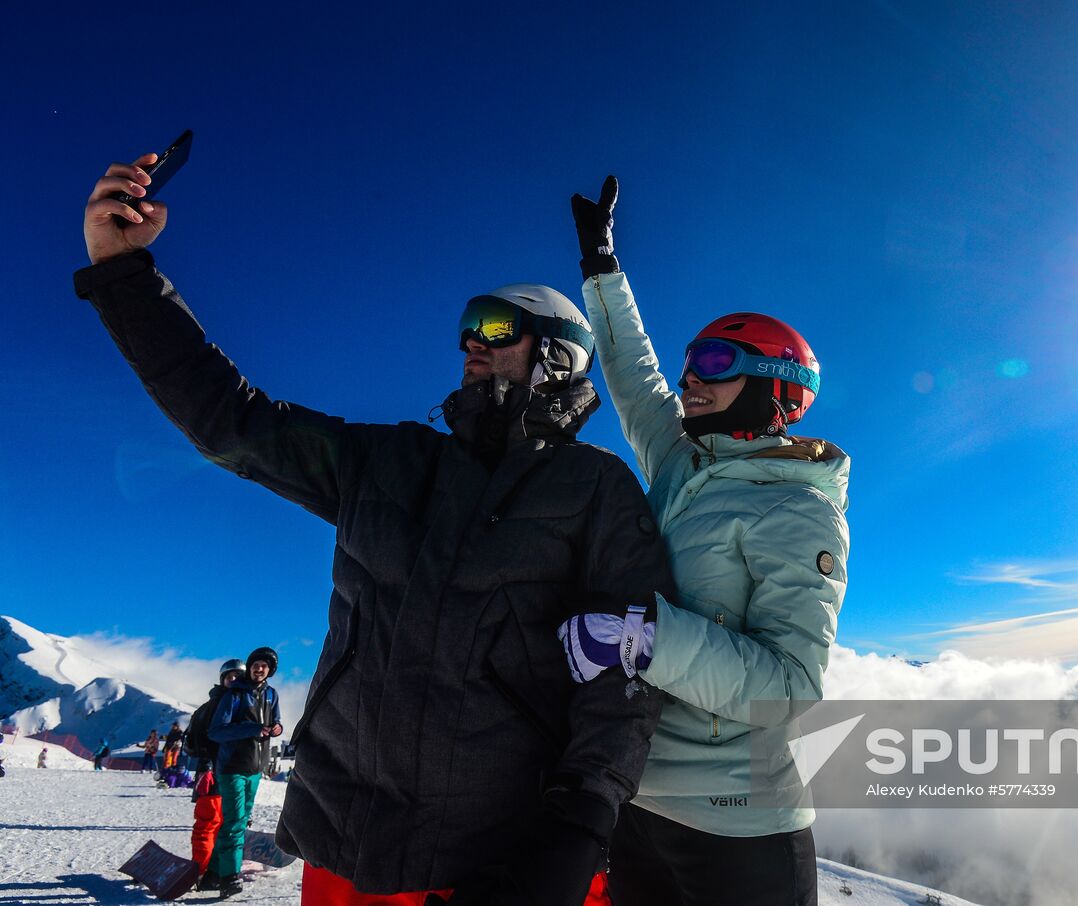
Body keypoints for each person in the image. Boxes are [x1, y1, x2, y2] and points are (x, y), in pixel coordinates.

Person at [76, 152, 676, 905]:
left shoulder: (594, 489)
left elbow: (625, 664)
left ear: (557, 356)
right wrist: (124, 275)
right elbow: (232, 419)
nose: (471, 342)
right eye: (466, 328)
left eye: (495, 327)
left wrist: (584, 817)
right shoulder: (388, 462)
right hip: (344, 843)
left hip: (498, 856)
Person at [563, 177, 850, 906]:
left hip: (741, 832)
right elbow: (633, 376)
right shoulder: (683, 462)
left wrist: (652, 638)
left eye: (716, 364)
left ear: (774, 385)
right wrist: (602, 268)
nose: (691, 377)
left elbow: (793, 685)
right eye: (693, 361)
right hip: (640, 800)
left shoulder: (798, 509)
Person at [206, 647, 282, 898]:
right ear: (249, 667)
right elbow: (216, 731)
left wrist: (278, 728)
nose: (259, 669)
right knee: (236, 822)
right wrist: (251, 729)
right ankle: (229, 876)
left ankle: (213, 874)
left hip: (254, 769)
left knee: (238, 821)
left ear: (270, 670)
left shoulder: (271, 694)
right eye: (256, 664)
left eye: (264, 666)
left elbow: (276, 721)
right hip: (232, 768)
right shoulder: (235, 695)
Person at [190, 659, 244, 891]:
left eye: (238, 677)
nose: (233, 680)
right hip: (214, 773)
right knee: (208, 822)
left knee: (228, 824)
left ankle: (217, 870)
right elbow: (194, 739)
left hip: (237, 774)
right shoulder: (211, 706)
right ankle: (199, 870)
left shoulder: (247, 705)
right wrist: (206, 763)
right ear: (222, 679)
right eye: (229, 676)